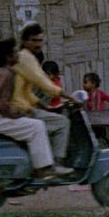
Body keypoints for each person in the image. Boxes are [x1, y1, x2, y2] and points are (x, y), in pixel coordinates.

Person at [0, 37, 68, 179]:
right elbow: (3, 105)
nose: (17, 56)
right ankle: (43, 169)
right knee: (37, 126)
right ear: (8, 57)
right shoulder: (8, 74)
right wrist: (17, 115)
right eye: (14, 53)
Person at [11, 23, 72, 168]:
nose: (38, 44)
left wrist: (47, 108)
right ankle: (56, 165)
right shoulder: (26, 57)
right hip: (20, 109)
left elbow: (27, 92)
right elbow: (43, 82)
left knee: (52, 120)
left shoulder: (21, 57)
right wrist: (70, 97)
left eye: (40, 40)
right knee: (62, 123)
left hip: (22, 106)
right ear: (25, 41)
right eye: (34, 40)